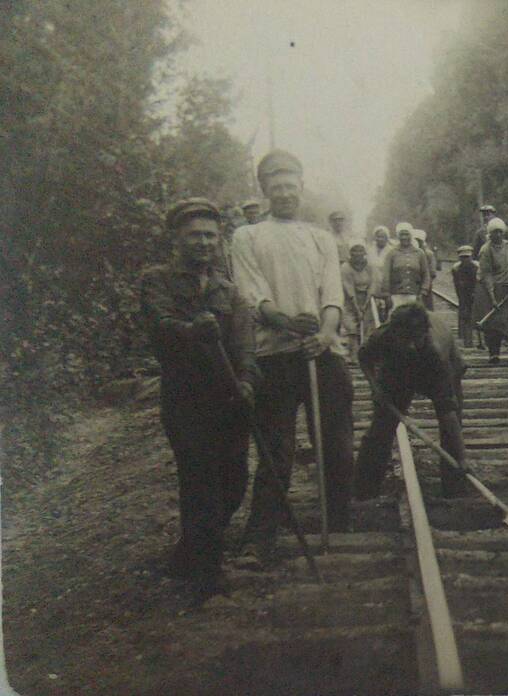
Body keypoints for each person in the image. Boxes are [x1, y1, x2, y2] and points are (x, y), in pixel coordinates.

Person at [231, 150, 354, 562]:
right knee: (275, 447)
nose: (284, 192)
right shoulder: (247, 236)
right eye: (276, 185)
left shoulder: (319, 237)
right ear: (264, 189)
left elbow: (332, 294)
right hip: (276, 355)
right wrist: (284, 322)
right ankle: (262, 533)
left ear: (301, 187)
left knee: (335, 440)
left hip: (322, 351)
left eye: (290, 185)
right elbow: (252, 294)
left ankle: (340, 519)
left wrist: (323, 333)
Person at [140, 198, 259, 599]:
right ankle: (207, 576)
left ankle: (190, 551)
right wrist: (193, 330)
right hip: (186, 401)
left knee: (234, 483)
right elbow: (160, 326)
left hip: (228, 402)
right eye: (194, 235)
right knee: (200, 483)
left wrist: (246, 381)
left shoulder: (229, 290)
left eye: (210, 235)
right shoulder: (157, 280)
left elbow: (244, 343)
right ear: (176, 238)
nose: (203, 243)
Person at [356, 304, 469, 498]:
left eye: (414, 340)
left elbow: (448, 413)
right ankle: (364, 487)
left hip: (438, 367)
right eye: (404, 340)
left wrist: (463, 457)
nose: (409, 345)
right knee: (381, 425)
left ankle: (455, 484)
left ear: (424, 334)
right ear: (395, 333)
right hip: (397, 369)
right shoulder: (383, 336)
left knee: (451, 426)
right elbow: (364, 357)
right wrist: (375, 388)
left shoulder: (436, 355)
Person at [473, 217, 508, 364]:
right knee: (491, 322)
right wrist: (492, 298)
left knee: (501, 322)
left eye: (500, 232)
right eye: (494, 232)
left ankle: (496, 349)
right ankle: (493, 353)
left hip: (505, 289)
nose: (498, 235)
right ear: (490, 234)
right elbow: (486, 275)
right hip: (488, 289)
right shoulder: (485, 250)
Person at [379, 222, 431, 315]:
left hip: (414, 296)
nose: (404, 237)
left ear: (411, 235)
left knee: (413, 323)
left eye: (406, 234)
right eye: (401, 234)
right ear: (398, 236)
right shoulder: (392, 253)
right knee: (397, 323)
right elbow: (386, 275)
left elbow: (426, 274)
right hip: (396, 296)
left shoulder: (419, 253)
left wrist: (423, 292)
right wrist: (387, 295)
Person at [341, 243, 376, 361]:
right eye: (354, 251)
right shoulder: (345, 268)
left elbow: (372, 285)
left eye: (360, 251)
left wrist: (366, 304)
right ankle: (353, 356)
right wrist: (357, 309)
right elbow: (349, 290)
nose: (357, 254)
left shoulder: (370, 266)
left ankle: (366, 356)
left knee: (367, 327)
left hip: (366, 298)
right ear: (350, 253)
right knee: (352, 327)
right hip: (349, 300)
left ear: (365, 253)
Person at [452, 245, 479, 348]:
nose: (465, 259)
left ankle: (476, 338)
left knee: (476, 314)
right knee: (465, 313)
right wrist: (461, 296)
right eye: (463, 257)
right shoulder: (456, 268)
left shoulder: (477, 267)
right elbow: (457, 284)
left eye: (467, 257)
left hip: (475, 290)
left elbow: (479, 281)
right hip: (463, 291)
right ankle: (467, 340)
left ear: (471, 257)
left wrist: (476, 293)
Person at [414, 229, 437, 310]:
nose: (417, 243)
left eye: (419, 241)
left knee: (427, 308)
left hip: (426, 286)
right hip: (414, 285)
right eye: (415, 240)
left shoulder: (429, 254)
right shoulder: (412, 253)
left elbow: (433, 272)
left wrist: (426, 283)